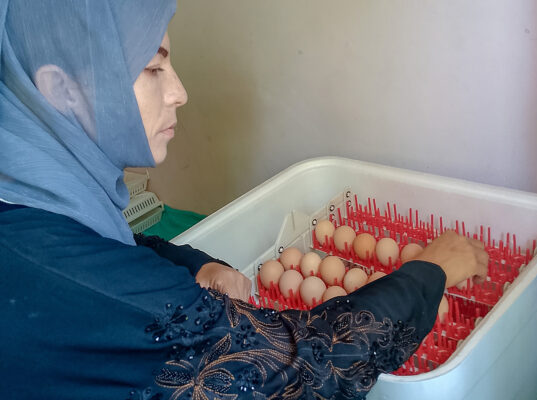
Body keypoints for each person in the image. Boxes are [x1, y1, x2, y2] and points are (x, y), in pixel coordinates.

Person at [0, 1, 488, 399]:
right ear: (61, 88)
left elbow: (103, 250)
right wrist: (430, 273)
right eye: (152, 68)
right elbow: (301, 369)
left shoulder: (28, 197)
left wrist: (191, 264)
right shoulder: (64, 276)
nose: (180, 92)